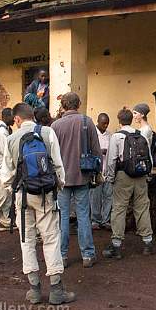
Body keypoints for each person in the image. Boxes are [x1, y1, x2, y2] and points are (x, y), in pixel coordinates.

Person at [1, 102, 75, 304]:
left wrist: (13, 191)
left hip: (23, 196)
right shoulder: (47, 132)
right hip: (46, 195)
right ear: (32, 116)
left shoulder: (11, 139)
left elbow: (6, 175)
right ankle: (56, 290)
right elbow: (59, 166)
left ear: (16, 119)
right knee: (51, 239)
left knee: (27, 240)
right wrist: (56, 188)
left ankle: (34, 290)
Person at [51, 92, 101, 268]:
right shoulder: (87, 122)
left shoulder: (55, 126)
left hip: (62, 178)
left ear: (63, 105)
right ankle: (87, 255)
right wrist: (98, 172)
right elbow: (96, 150)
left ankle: (62, 256)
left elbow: (51, 154)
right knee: (83, 216)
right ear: (78, 104)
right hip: (83, 175)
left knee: (62, 217)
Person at [102, 108, 154, 259]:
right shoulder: (140, 135)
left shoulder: (116, 136)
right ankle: (147, 242)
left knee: (119, 208)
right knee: (142, 207)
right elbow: (148, 157)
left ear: (119, 120)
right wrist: (147, 175)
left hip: (123, 175)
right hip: (140, 175)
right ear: (131, 119)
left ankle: (116, 245)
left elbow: (112, 160)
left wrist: (110, 178)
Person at [91, 113, 112, 230]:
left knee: (108, 196)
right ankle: (95, 220)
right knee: (95, 196)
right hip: (96, 171)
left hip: (107, 170)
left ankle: (106, 220)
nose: (106, 125)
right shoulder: (92, 134)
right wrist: (99, 151)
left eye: (107, 123)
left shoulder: (110, 135)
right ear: (98, 122)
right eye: (104, 123)